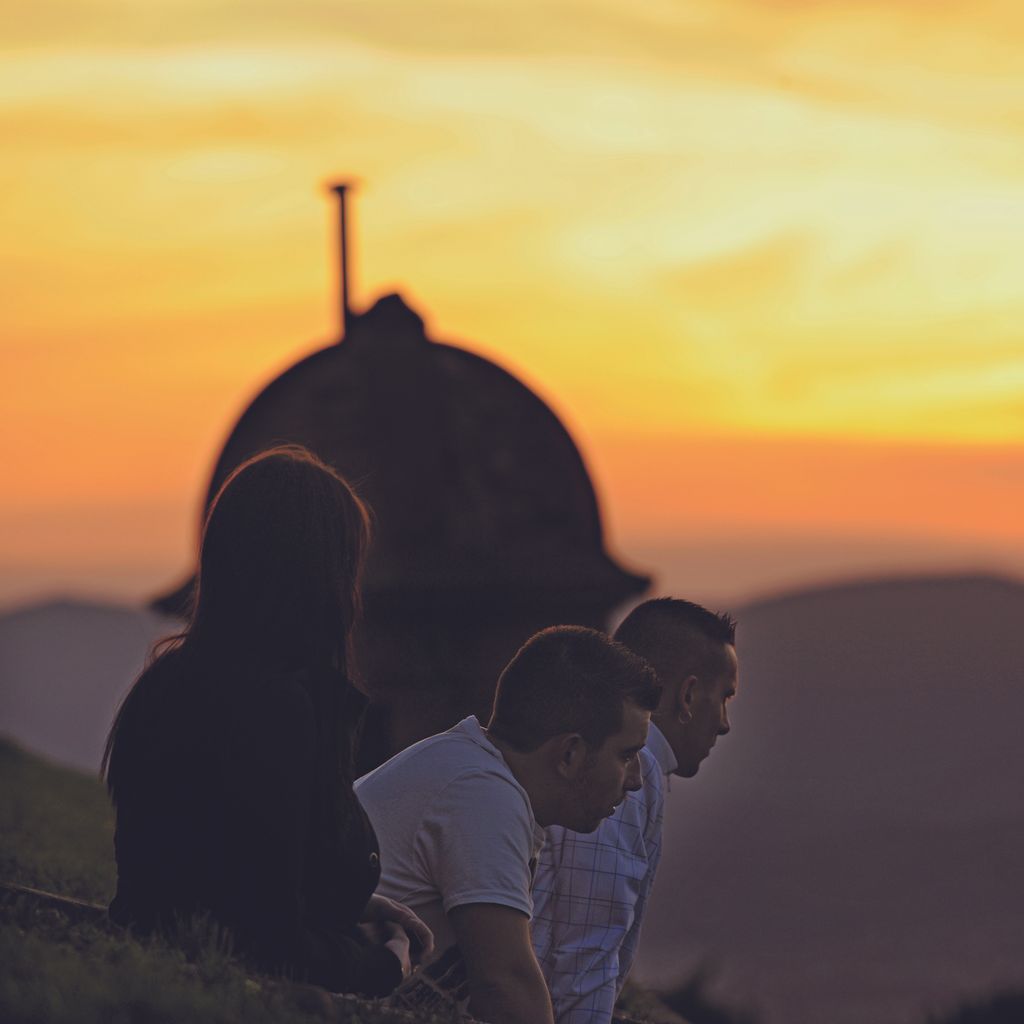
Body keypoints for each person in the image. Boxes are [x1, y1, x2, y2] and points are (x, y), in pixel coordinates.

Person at [102, 445, 431, 995]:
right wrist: (386, 966)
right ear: (323, 577)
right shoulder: (275, 710)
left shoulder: (168, 682)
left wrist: (353, 902)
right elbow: (265, 942)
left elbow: (221, 869)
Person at [355, 625, 661, 1024]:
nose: (636, 780)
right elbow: (507, 986)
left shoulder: (473, 772)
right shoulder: (484, 795)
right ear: (569, 753)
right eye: (626, 755)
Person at [531, 598, 739, 1024]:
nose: (724, 723)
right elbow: (581, 958)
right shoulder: (626, 772)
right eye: (723, 698)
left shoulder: (620, 761)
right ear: (687, 695)